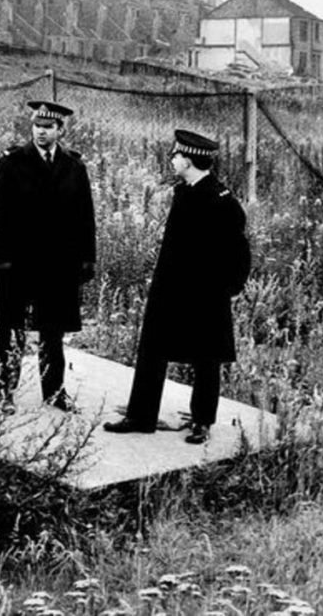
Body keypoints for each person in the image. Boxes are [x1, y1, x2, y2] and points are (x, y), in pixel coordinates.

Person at [104, 129, 250, 444]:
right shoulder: (186, 191)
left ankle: (202, 421)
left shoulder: (222, 201)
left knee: (206, 356)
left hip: (204, 294)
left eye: (175, 154)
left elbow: (239, 253)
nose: (172, 158)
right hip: (170, 290)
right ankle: (140, 415)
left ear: (188, 159)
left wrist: (228, 289)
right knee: (152, 349)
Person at [0, 99, 96, 414]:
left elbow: (84, 216)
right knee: (12, 330)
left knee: (53, 331)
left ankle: (54, 392)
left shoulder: (74, 167)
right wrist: (1, 260)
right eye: (37, 126)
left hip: (59, 265)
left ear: (61, 130)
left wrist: (87, 258)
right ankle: (4, 393)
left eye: (48, 127)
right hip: (19, 264)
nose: (41, 132)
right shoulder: (11, 163)